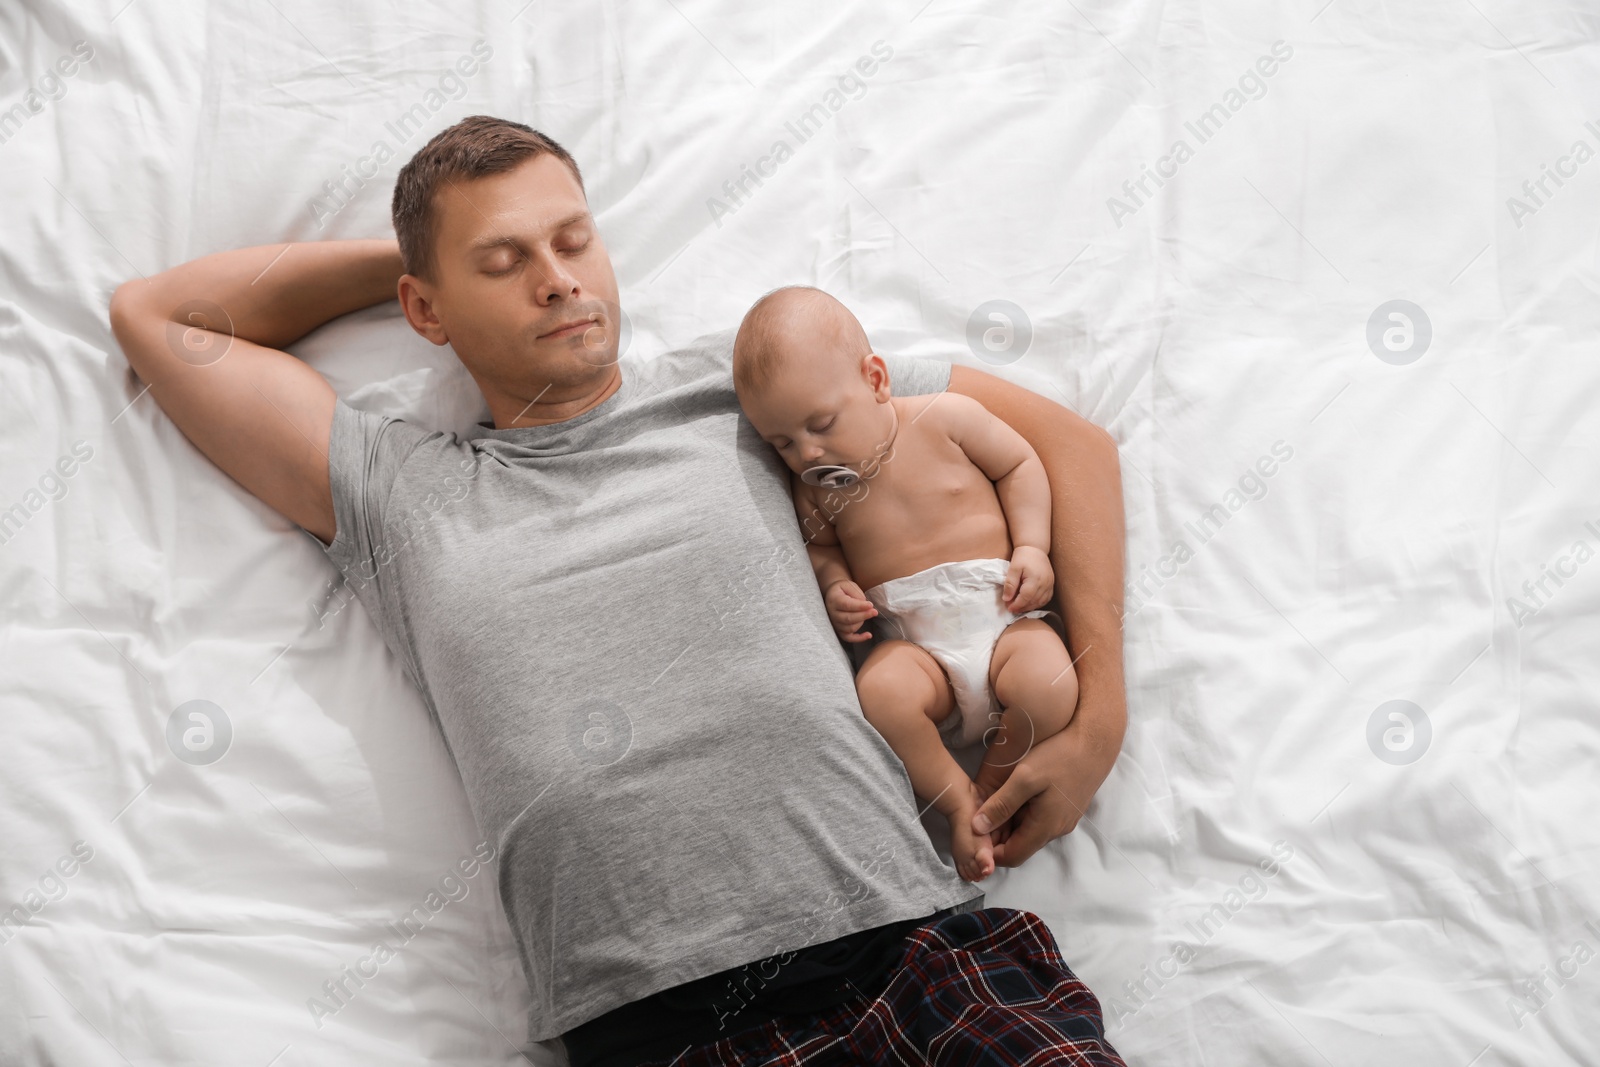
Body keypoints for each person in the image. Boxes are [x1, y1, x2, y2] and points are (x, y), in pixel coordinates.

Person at [108, 115, 1129, 1065]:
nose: (558, 281)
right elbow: (157, 316)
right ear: (425, 308)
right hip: (659, 1030)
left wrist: (1097, 721)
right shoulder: (399, 490)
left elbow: (1067, 446)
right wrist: (419, 261)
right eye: (504, 261)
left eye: (573, 241)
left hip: (906, 957)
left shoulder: (747, 397)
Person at [733, 286, 1081, 884]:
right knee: (881, 692)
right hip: (917, 650)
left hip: (1001, 618)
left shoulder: (944, 419)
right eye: (782, 443)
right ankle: (954, 802)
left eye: (821, 424)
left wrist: (1032, 546)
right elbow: (820, 549)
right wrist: (836, 585)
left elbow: (1020, 465)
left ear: (875, 381)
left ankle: (994, 785)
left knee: (1048, 685)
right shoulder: (818, 490)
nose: (808, 452)